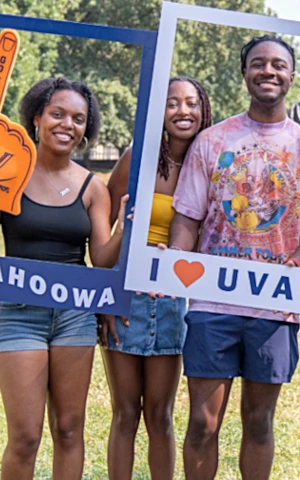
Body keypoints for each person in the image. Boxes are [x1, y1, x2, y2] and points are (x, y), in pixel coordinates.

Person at [167, 35, 300, 480]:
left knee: (258, 422)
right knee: (202, 422)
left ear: (292, 76)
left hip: (274, 305)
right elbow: (188, 220)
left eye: (278, 65)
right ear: (245, 73)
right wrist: (174, 266)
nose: (268, 71)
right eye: (258, 64)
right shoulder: (212, 142)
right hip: (213, 304)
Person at [0, 77, 123, 478]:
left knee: (69, 430)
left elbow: (101, 259)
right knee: (25, 437)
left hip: (74, 315)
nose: (67, 124)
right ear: (37, 118)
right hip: (19, 312)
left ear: (87, 129)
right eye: (58, 114)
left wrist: (126, 231)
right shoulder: (9, 173)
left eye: (78, 118)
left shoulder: (93, 188)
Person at [100, 76, 212, 480]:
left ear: (204, 110)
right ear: (158, 113)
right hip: (126, 297)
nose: (183, 111)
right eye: (172, 103)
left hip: (174, 301)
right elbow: (105, 235)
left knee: (161, 415)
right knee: (126, 412)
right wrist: (106, 300)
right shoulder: (136, 158)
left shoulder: (211, 162)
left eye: (192, 103)